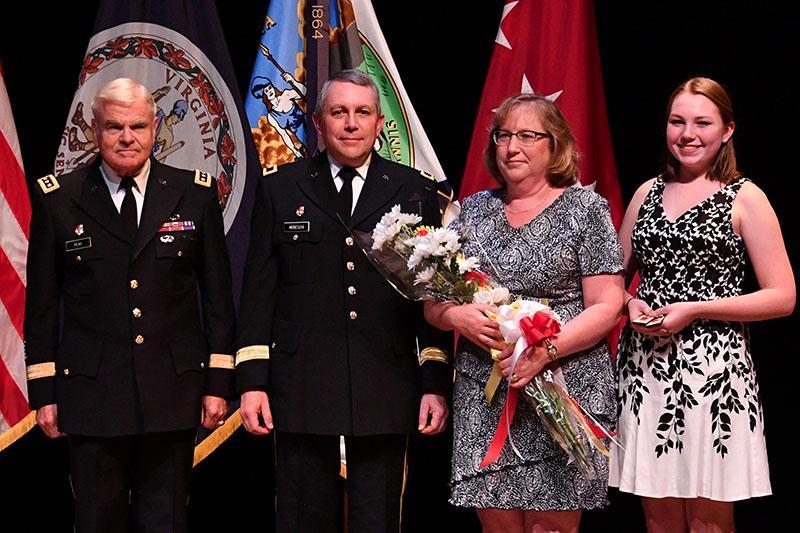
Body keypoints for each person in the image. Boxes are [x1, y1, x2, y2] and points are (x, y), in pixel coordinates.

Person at [235, 69, 451, 533]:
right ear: (318, 123)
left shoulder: (414, 191)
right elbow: (258, 293)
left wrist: (434, 380)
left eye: (362, 113)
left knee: (378, 519)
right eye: (339, 112)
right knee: (301, 516)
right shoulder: (280, 188)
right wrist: (253, 381)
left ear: (378, 124)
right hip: (301, 380)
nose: (351, 123)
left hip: (385, 378)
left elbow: (429, 296)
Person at [24, 77, 236, 533]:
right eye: (114, 127)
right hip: (91, 393)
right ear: (95, 129)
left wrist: (217, 382)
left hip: (173, 391)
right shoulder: (60, 198)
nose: (127, 138)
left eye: (138, 126)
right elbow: (41, 307)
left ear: (155, 126)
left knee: (167, 522)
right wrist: (43, 392)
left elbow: (218, 299)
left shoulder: (194, 193)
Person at [424, 93, 624, 532]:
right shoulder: (471, 211)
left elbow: (609, 305)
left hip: (564, 385)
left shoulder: (586, 210)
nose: (512, 147)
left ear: (556, 146)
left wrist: (544, 350)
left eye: (528, 136)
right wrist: (455, 318)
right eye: (504, 135)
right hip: (487, 390)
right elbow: (434, 303)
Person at [609, 77, 796, 532]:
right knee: (659, 517)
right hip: (645, 372)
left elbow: (782, 296)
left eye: (702, 123)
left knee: (709, 522)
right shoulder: (645, 193)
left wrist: (696, 308)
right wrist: (628, 305)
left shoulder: (745, 197)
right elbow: (611, 281)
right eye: (677, 121)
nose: (687, 134)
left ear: (727, 130)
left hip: (716, 377)